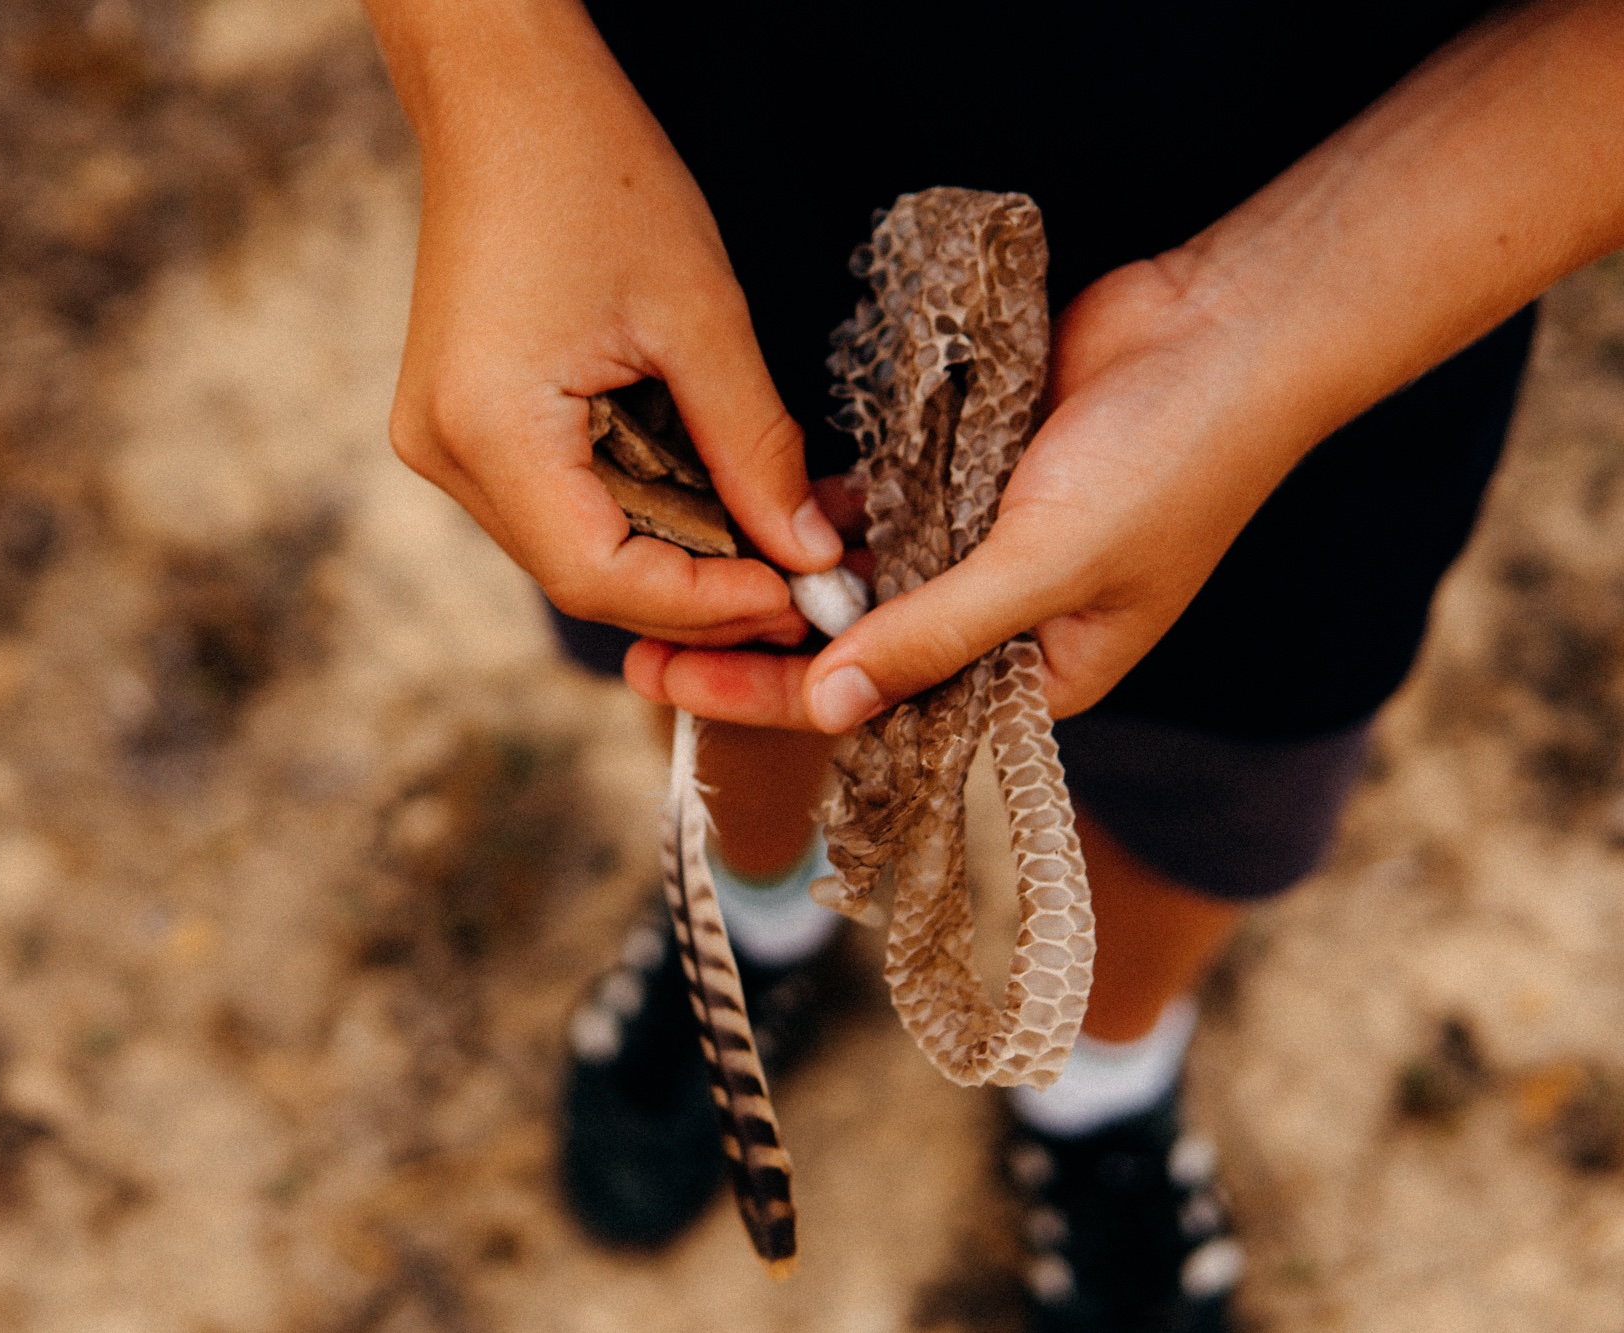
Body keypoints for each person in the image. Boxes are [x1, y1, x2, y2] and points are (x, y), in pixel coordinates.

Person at [361, 0, 1624, 1327]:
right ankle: (753, 921)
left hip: (1367, 264)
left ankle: (1104, 1077)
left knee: (1219, 759)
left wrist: (1265, 327)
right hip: (694, 186)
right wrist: (489, 66)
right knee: (731, 642)